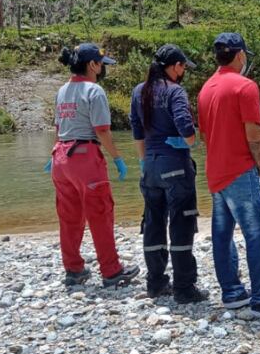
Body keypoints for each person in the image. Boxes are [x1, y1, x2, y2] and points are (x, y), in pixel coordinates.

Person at [197, 32, 260, 322]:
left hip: (216, 173)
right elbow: (253, 133)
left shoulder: (205, 89)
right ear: (240, 55)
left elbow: (204, 135)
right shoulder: (245, 87)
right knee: (259, 233)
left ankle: (232, 292)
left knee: (222, 233)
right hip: (242, 171)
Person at [46, 43, 140, 288]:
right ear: (92, 65)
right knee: (100, 214)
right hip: (84, 157)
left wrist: (53, 154)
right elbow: (102, 130)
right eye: (101, 64)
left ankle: (74, 270)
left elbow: (58, 128)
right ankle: (111, 271)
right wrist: (117, 157)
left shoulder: (62, 91)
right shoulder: (94, 91)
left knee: (69, 217)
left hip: (61, 157)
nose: (103, 68)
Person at [129, 44, 208, 304]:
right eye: (183, 66)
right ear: (174, 66)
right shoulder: (175, 92)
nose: (184, 71)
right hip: (174, 164)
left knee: (153, 222)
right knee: (182, 223)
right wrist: (191, 140)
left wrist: (144, 162)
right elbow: (186, 128)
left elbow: (138, 132)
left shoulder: (139, 91)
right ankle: (184, 288)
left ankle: (156, 282)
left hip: (149, 166)